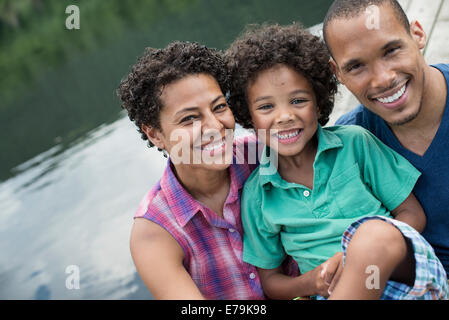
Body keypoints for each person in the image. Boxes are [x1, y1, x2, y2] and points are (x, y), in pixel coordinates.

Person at [225, 23, 448, 299]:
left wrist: (357, 260)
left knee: (371, 236)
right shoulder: (258, 195)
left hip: (406, 279)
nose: (284, 117)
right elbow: (270, 281)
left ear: (318, 103)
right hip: (332, 292)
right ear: (248, 115)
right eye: (266, 107)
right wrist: (312, 283)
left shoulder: (355, 143)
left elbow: (412, 214)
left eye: (297, 100)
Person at [116, 41, 298, 299]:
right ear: (155, 134)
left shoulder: (266, 154)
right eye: (189, 118)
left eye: (219, 107)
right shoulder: (154, 231)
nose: (214, 126)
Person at [324, 0, 449, 277]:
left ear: (417, 34)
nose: (382, 79)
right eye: (356, 66)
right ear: (338, 74)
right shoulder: (349, 146)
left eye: (391, 51)